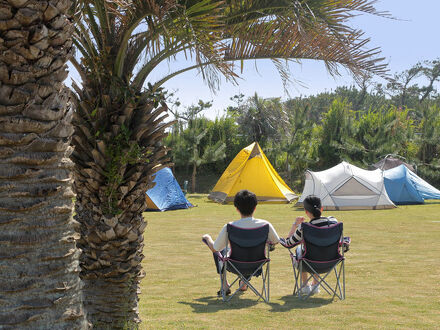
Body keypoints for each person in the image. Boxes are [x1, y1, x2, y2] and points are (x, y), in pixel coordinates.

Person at [202, 189, 280, 295]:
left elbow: (216, 248)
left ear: (237, 209)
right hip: (257, 265)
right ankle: (244, 282)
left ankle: (224, 285)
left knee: (220, 251)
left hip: (234, 264)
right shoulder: (266, 225)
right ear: (255, 208)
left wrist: (207, 239)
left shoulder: (229, 227)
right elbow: (276, 241)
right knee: (250, 251)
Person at [282, 195, 338, 296]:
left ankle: (305, 285)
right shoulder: (333, 222)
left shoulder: (304, 228)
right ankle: (316, 284)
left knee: (301, 250)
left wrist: (295, 224)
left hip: (310, 263)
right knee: (318, 249)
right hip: (331, 262)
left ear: (306, 211)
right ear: (322, 208)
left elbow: (288, 244)